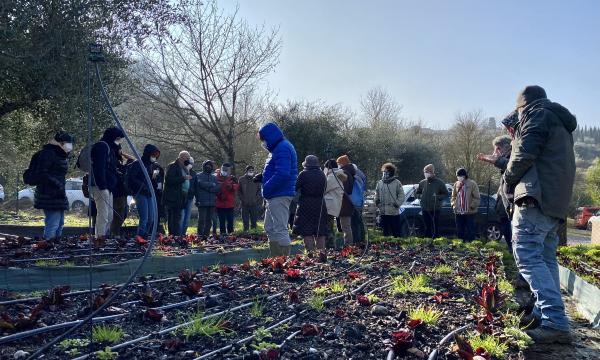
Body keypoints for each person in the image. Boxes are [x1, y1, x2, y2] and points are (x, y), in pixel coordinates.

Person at [502, 85, 577, 343]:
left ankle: (555, 321)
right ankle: (542, 313)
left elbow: (524, 154)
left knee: (526, 255)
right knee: (545, 259)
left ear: (524, 105)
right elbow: (540, 158)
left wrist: (508, 178)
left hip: (536, 198)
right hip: (554, 201)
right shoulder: (558, 121)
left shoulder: (537, 115)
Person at [23, 131, 74, 240]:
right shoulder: (49, 153)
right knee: (53, 223)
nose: (70, 146)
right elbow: (43, 173)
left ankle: (55, 245)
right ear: (62, 142)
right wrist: (57, 184)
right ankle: (48, 246)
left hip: (58, 193)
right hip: (49, 193)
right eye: (69, 143)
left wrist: (59, 186)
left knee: (60, 223)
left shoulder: (59, 154)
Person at [258, 122, 298, 256]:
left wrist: (267, 187)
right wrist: (262, 177)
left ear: (269, 137)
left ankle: (283, 261)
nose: (262, 143)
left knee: (280, 228)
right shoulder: (277, 149)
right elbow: (276, 169)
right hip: (275, 193)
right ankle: (276, 258)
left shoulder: (282, 148)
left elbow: (283, 173)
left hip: (279, 193)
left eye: (263, 139)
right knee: (269, 227)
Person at [477, 115, 517, 250]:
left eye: (497, 149)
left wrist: (495, 161)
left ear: (507, 148)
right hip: (504, 211)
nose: (495, 152)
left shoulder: (514, 159)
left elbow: (511, 168)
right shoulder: (504, 162)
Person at [90, 126, 125, 239]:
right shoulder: (102, 146)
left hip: (108, 187)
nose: (119, 141)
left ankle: (104, 236)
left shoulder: (110, 149)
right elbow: (99, 168)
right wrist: (102, 186)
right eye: (118, 138)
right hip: (101, 186)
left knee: (109, 215)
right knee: (103, 215)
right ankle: (99, 238)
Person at [293, 155, 329, 253]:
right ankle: (321, 253)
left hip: (306, 204)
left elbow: (295, 188)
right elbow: (325, 188)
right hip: (320, 204)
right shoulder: (322, 174)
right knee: (320, 230)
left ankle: (311, 254)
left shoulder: (303, 174)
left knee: (307, 230)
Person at [127, 144, 161, 238]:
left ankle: (146, 236)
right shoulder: (138, 164)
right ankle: (140, 237)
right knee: (144, 218)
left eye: (156, 156)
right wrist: (143, 186)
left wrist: (155, 181)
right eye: (153, 155)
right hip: (140, 193)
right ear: (148, 154)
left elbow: (152, 180)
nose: (154, 158)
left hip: (150, 194)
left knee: (151, 219)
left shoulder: (152, 166)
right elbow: (132, 178)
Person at [163, 151, 194, 236]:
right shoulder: (173, 166)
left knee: (178, 217)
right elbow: (169, 180)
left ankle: (177, 236)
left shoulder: (184, 167)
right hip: (173, 197)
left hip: (181, 197)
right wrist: (183, 178)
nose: (188, 160)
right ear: (182, 157)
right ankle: (173, 236)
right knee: (173, 218)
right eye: (187, 158)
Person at [415, 164, 448, 238]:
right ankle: (427, 241)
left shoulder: (439, 182)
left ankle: (436, 241)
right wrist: (420, 196)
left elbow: (446, 193)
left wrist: (438, 197)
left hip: (435, 208)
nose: (425, 173)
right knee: (427, 227)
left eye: (427, 172)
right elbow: (417, 193)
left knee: (435, 226)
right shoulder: (422, 182)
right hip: (425, 208)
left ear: (432, 172)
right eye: (424, 172)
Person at [110, 144, 135, 237]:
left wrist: (122, 153)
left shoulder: (121, 164)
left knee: (123, 214)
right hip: (116, 194)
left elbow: (133, 160)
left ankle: (115, 232)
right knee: (117, 215)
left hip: (123, 193)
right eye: (119, 150)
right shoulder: (114, 163)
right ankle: (113, 233)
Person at [375, 163, 405, 237]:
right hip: (383, 212)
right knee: (385, 232)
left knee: (396, 232)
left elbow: (401, 195)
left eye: (387, 172)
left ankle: (397, 246)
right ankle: (386, 246)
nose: (385, 173)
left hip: (393, 212)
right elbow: (376, 193)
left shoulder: (397, 183)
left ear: (391, 173)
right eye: (384, 172)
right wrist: (377, 201)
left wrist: (397, 203)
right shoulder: (380, 183)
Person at [451, 168, 480, 242]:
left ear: (464, 176)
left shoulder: (472, 183)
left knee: (471, 231)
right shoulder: (456, 184)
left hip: (469, 212)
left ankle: (471, 246)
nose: (458, 177)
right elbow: (453, 196)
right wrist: (454, 205)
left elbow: (477, 197)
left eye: (459, 176)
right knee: (460, 230)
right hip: (458, 212)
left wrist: (472, 206)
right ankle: (461, 246)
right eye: (457, 176)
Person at [323, 159, 347, 248]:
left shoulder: (333, 177)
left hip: (329, 206)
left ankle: (330, 247)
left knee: (328, 229)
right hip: (333, 205)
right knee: (329, 227)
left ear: (328, 168)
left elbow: (323, 188)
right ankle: (330, 247)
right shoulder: (337, 175)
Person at [194, 160, 219, 237]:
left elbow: (217, 189)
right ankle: (200, 235)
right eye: (207, 165)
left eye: (210, 166)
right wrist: (211, 185)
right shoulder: (198, 175)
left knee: (209, 221)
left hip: (212, 202)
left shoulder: (214, 177)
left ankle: (206, 236)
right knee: (201, 220)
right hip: (202, 202)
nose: (208, 167)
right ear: (203, 166)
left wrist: (206, 186)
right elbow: (199, 185)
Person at [336, 155, 355, 246]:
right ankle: (348, 244)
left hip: (344, 203)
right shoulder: (350, 172)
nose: (338, 165)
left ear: (342, 163)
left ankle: (348, 245)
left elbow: (344, 189)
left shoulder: (345, 173)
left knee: (346, 226)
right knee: (346, 226)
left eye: (339, 163)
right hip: (347, 202)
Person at [215, 163, 239, 235]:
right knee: (221, 221)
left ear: (229, 171)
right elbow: (214, 188)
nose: (225, 171)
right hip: (220, 203)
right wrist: (219, 194)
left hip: (230, 203)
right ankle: (223, 234)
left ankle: (231, 234)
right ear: (221, 168)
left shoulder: (232, 178)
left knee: (230, 220)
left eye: (227, 170)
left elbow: (237, 186)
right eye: (224, 169)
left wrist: (232, 186)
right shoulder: (216, 177)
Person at [238, 165, 262, 232]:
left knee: (254, 222)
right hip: (244, 204)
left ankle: (254, 235)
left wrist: (256, 199)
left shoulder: (256, 179)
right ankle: (246, 235)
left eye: (252, 170)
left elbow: (259, 191)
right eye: (249, 170)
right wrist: (243, 200)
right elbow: (239, 191)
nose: (251, 172)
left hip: (254, 204)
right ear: (246, 171)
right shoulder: (241, 179)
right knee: (245, 222)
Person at [351, 163, 367, 245]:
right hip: (360, 201)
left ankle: (356, 240)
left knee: (354, 222)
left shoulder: (355, 177)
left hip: (355, 201)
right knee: (359, 221)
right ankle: (362, 239)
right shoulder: (362, 176)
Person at [180, 157, 196, 235]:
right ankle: (178, 234)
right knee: (181, 217)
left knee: (187, 218)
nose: (190, 165)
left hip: (190, 198)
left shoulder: (193, 173)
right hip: (181, 197)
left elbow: (196, 186)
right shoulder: (181, 171)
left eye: (192, 164)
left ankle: (183, 234)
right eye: (189, 163)